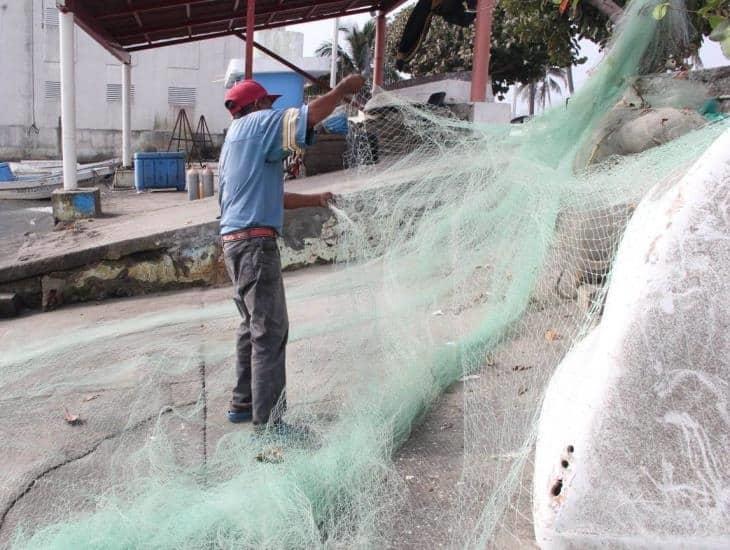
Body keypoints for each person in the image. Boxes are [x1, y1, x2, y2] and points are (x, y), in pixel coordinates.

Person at [218, 74, 366, 432]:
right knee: (270, 331)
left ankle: (244, 403)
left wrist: (315, 199)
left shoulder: (234, 143)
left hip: (234, 244)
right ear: (255, 106)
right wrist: (342, 90)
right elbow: (308, 116)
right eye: (267, 102)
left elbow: (272, 197)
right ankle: (269, 425)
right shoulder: (257, 124)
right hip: (255, 245)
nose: (272, 107)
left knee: (250, 326)